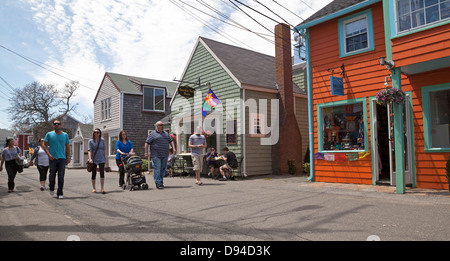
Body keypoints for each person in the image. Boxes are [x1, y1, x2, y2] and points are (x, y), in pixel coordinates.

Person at [42, 119, 71, 199]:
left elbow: (68, 146)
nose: (57, 125)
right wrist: (49, 154)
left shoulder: (65, 135)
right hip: (53, 159)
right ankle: (51, 187)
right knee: (52, 176)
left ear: (60, 125)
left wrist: (69, 156)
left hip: (62, 158)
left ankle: (60, 193)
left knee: (61, 176)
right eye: (55, 124)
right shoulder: (49, 134)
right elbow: (44, 145)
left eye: (58, 123)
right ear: (53, 125)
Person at [145, 121, 176, 189]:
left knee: (163, 168)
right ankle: (158, 183)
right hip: (156, 155)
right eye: (161, 125)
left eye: (163, 125)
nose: (162, 126)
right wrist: (146, 152)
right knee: (157, 168)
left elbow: (171, 141)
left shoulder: (166, 134)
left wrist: (173, 148)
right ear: (157, 126)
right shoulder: (152, 134)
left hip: (165, 154)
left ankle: (161, 182)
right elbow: (147, 143)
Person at [88, 128, 106, 194]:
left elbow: (104, 149)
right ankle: (94, 188)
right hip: (94, 159)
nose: (96, 133)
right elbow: (89, 150)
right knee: (94, 173)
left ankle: (102, 188)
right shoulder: (90, 141)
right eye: (95, 132)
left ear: (100, 133)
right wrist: (90, 159)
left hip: (101, 159)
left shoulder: (102, 140)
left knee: (102, 173)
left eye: (97, 132)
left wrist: (105, 158)